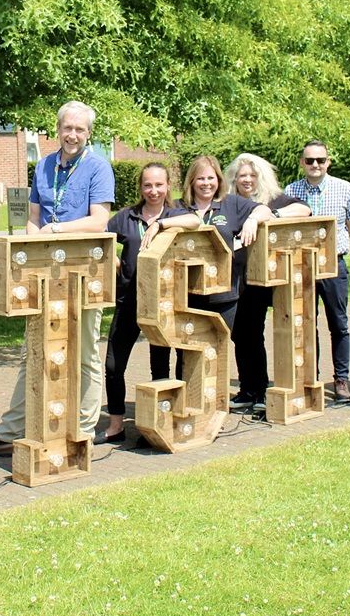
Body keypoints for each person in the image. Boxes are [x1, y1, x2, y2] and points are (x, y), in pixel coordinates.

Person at [0, 101, 115, 457]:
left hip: (84, 273)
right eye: (67, 128)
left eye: (79, 129)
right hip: (45, 274)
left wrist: (56, 228)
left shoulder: (98, 168)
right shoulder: (44, 166)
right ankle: (11, 433)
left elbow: (98, 222)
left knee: (86, 353)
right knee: (32, 351)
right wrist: (29, 252)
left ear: (88, 133)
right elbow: (34, 216)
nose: (72, 135)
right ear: (57, 129)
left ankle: (83, 430)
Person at [99, 162, 182, 442]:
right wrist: (112, 261)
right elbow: (103, 239)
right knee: (113, 366)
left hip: (162, 305)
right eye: (148, 185)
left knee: (160, 367)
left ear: (168, 185)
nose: (153, 190)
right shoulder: (126, 217)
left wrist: (160, 223)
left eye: (159, 185)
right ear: (141, 187)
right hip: (128, 302)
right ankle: (116, 425)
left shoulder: (176, 214)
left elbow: (196, 222)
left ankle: (157, 424)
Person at [156, 155, 276, 345]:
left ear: (218, 180)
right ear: (192, 181)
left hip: (223, 295)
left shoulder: (232, 203)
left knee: (216, 347)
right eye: (201, 178)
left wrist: (252, 220)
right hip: (185, 294)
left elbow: (265, 210)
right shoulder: (178, 206)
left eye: (211, 178)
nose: (206, 183)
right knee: (187, 349)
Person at [224, 153, 311, 411]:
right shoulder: (231, 203)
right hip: (236, 278)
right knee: (240, 334)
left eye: (252, 175)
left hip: (263, 280)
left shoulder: (275, 199)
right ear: (234, 179)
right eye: (242, 176)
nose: (247, 180)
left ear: (261, 177)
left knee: (254, 332)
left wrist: (267, 215)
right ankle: (247, 389)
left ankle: (259, 389)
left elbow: (303, 209)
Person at [283, 139, 350, 402]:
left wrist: (335, 247)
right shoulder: (291, 190)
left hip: (334, 264)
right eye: (309, 160)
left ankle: (341, 379)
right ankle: (311, 378)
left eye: (320, 160)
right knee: (306, 324)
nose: (315, 165)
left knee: (339, 324)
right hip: (301, 267)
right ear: (301, 163)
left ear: (328, 161)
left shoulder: (344, 188)